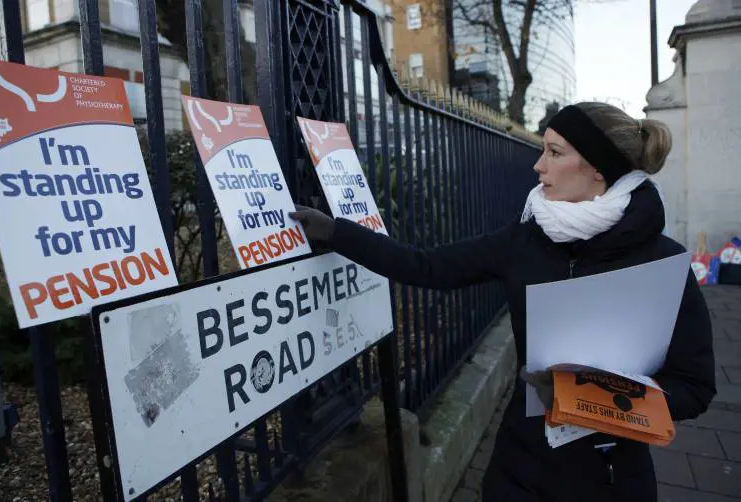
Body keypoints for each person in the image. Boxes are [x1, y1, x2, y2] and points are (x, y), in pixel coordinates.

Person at [289, 102, 715, 501]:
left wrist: (600, 399)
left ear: (598, 169)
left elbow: (694, 387)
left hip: (612, 478)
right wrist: (337, 233)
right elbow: (427, 267)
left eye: (554, 153)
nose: (538, 165)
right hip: (520, 470)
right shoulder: (524, 240)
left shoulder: (664, 262)